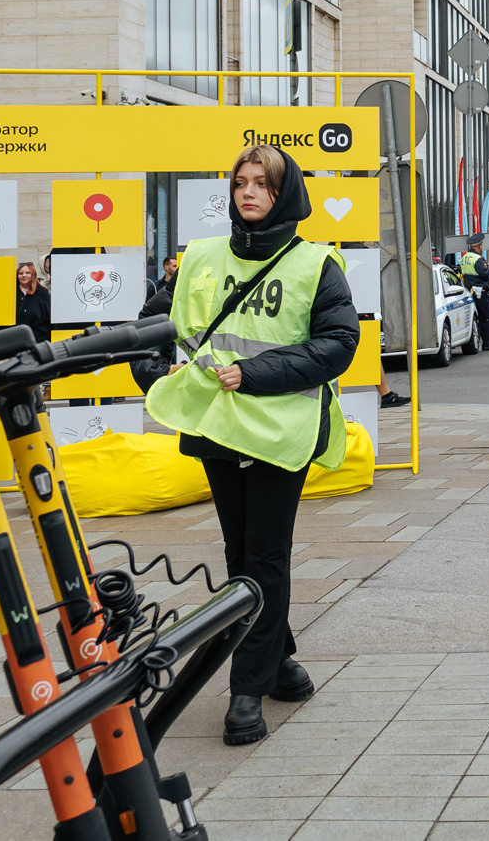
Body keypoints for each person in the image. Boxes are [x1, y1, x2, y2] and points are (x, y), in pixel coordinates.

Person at [142, 144, 357, 746]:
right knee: (242, 555)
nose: (248, 192)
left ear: (283, 193)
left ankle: (245, 689)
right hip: (216, 429)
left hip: (279, 431)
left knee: (263, 556)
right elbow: (153, 329)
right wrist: (157, 376)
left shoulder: (316, 263)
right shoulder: (202, 258)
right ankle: (280, 660)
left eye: (262, 183)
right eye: (241, 182)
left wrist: (253, 375)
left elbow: (339, 344)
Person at [461, 238, 489, 351]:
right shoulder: (478, 259)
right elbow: (484, 274)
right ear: (479, 245)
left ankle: (485, 342)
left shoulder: (464, 258)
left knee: (484, 318)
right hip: (481, 293)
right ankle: (488, 343)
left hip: (471, 292)